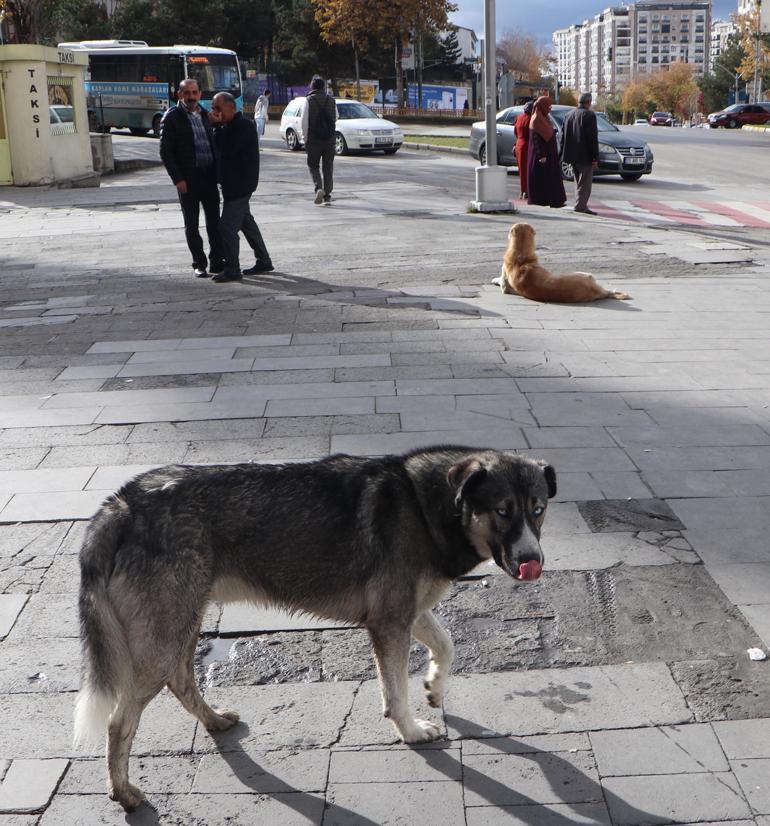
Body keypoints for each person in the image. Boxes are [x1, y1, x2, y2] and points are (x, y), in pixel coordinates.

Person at [159, 78, 225, 278]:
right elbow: (166, 152)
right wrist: (178, 179)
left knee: (215, 222)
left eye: (194, 92)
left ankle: (217, 261)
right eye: (187, 93)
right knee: (192, 223)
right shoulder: (171, 117)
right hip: (188, 179)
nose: (191, 97)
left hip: (209, 176)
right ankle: (199, 263)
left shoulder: (205, 115)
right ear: (179, 95)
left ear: (199, 94)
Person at [209, 92, 273, 282]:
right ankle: (264, 260)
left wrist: (217, 127)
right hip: (233, 184)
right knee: (246, 222)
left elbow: (227, 148)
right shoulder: (230, 125)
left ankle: (232, 268)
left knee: (226, 227)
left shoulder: (242, 125)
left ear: (231, 107)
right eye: (214, 109)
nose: (215, 112)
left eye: (218, 108)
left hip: (240, 185)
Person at [560, 92, 599, 215]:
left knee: (578, 181)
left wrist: (562, 153)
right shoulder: (589, 115)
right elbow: (592, 138)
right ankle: (580, 206)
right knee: (585, 182)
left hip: (571, 154)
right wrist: (595, 156)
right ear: (589, 102)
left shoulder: (569, 114)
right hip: (585, 154)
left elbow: (563, 135)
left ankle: (579, 203)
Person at [301, 75, 337, 205]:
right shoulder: (331, 100)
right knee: (328, 167)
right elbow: (335, 118)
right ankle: (327, 195)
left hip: (314, 140)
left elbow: (304, 122)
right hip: (329, 139)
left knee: (313, 165)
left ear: (312, 86)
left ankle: (319, 188)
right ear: (323, 87)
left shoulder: (308, 100)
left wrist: (305, 139)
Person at [527, 96, 566, 209]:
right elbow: (535, 140)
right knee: (542, 180)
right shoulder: (536, 120)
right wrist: (541, 155)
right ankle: (540, 200)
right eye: (548, 106)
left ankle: (555, 201)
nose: (549, 109)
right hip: (541, 157)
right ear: (542, 106)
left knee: (552, 178)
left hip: (550, 155)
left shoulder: (545, 118)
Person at [514, 100, 534, 200]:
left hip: (519, 144)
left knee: (521, 170)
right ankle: (526, 191)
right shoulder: (530, 119)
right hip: (526, 145)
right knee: (527, 170)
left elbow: (515, 132)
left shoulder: (519, 118)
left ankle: (523, 191)